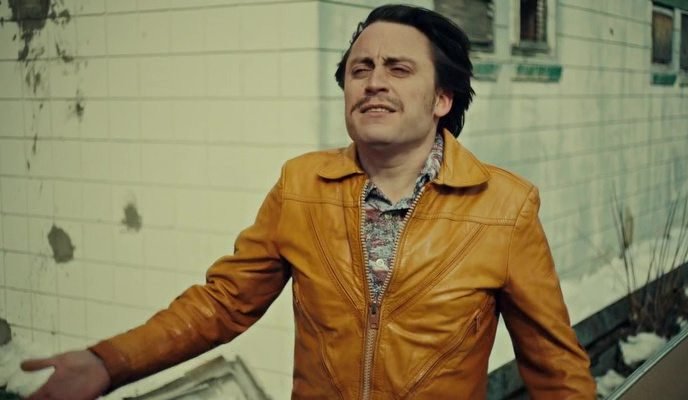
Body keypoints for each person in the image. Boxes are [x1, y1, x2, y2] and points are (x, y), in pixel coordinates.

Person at [22, 4, 596, 399]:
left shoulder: (504, 207)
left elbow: (555, 366)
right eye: (360, 69)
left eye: (398, 69)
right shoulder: (302, 186)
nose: (373, 81)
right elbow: (223, 303)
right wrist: (109, 361)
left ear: (443, 98)